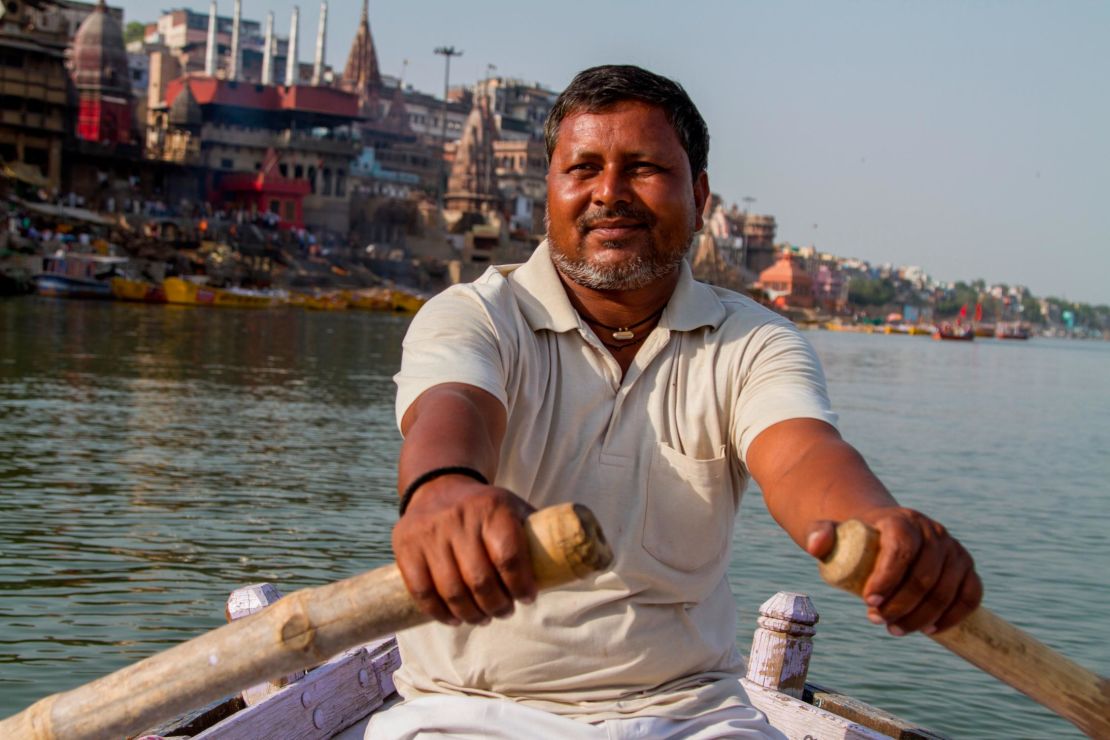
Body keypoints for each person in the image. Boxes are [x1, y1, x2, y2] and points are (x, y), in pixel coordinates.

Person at [373, 64, 981, 739]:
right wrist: (442, 490)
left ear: (699, 196)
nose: (609, 193)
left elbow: (803, 453)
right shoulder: (476, 315)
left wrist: (881, 527)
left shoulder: (754, 341)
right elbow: (452, 409)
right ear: (549, 190)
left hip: (690, 713)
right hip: (467, 708)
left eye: (642, 168)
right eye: (582, 169)